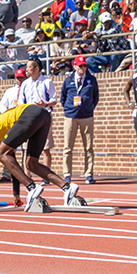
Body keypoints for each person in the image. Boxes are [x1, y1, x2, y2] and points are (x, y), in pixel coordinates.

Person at [0, 104, 79, 212]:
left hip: (29, 114)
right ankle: (67, 187)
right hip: (44, 116)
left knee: (0, 153)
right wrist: (16, 194)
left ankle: (31, 187)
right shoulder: (0, 137)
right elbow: (12, 165)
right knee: (31, 164)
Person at [58, 55, 100, 183]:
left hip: (87, 117)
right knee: (68, 147)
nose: (83, 68)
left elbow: (95, 97)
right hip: (70, 117)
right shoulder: (68, 80)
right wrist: (68, 109)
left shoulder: (91, 80)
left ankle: (88, 174)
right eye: (80, 66)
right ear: (74, 66)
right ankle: (67, 174)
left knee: (88, 147)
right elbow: (63, 97)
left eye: (85, 66)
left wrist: (89, 108)